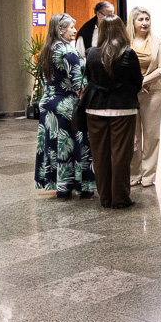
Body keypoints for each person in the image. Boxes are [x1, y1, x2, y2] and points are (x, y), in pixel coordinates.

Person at [84, 15, 143, 209]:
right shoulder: (128, 53)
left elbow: (89, 79)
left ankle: (105, 198)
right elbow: (137, 82)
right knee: (120, 155)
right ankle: (120, 198)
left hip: (95, 108)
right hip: (122, 108)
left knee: (99, 155)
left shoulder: (91, 53)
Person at [34, 13, 96, 199]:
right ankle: (79, 185)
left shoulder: (47, 50)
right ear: (60, 30)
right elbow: (78, 83)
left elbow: (45, 79)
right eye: (71, 27)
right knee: (72, 145)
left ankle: (60, 186)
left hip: (48, 103)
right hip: (66, 105)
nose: (75, 30)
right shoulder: (68, 51)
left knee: (54, 145)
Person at [127, 7, 161, 188]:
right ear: (133, 22)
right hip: (130, 95)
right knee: (133, 136)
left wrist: (142, 82)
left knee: (152, 136)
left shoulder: (158, 42)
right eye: (140, 19)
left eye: (147, 19)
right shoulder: (126, 42)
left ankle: (149, 175)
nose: (145, 23)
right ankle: (134, 173)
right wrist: (135, 85)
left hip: (153, 93)